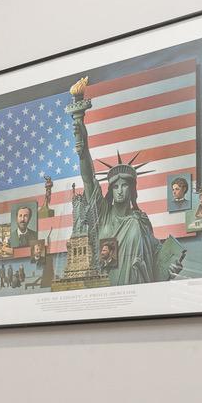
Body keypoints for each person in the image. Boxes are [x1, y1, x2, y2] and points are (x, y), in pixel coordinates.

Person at [67, 76, 157, 286]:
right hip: (107, 293)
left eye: (125, 185)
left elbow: (156, 256)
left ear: (132, 190)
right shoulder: (103, 214)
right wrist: (82, 140)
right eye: (115, 186)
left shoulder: (141, 221)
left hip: (139, 292)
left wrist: (170, 267)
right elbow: (88, 178)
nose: (120, 190)